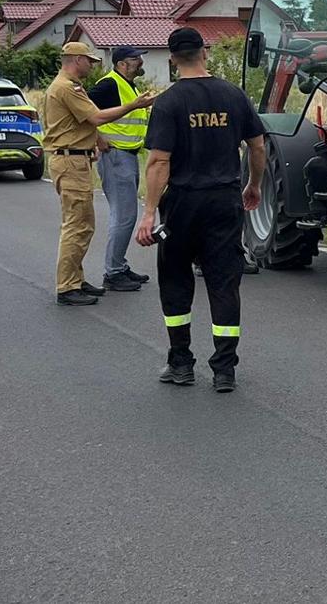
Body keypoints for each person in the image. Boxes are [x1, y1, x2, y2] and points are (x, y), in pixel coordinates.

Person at [135, 28, 266, 393]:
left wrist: (148, 214)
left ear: (173, 59)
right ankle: (225, 369)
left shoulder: (169, 102)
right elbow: (257, 147)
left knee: (176, 279)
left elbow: (159, 161)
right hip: (225, 201)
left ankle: (181, 364)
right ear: (205, 53)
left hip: (182, 204)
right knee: (225, 282)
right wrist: (253, 185)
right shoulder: (234, 95)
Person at [43, 41, 155, 306]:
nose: (93, 65)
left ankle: (76, 279)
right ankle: (68, 286)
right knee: (76, 226)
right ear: (75, 59)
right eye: (89, 60)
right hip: (71, 161)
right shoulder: (67, 88)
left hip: (78, 160)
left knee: (84, 225)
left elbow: (83, 121)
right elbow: (95, 117)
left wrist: (93, 138)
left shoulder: (70, 87)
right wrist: (134, 106)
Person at [90, 46, 152, 292]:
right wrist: (96, 137)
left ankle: (119, 265)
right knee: (124, 215)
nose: (139, 62)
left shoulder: (128, 85)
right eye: (135, 58)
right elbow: (81, 112)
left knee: (126, 214)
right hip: (115, 156)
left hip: (127, 156)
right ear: (122, 63)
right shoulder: (108, 85)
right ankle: (113, 272)